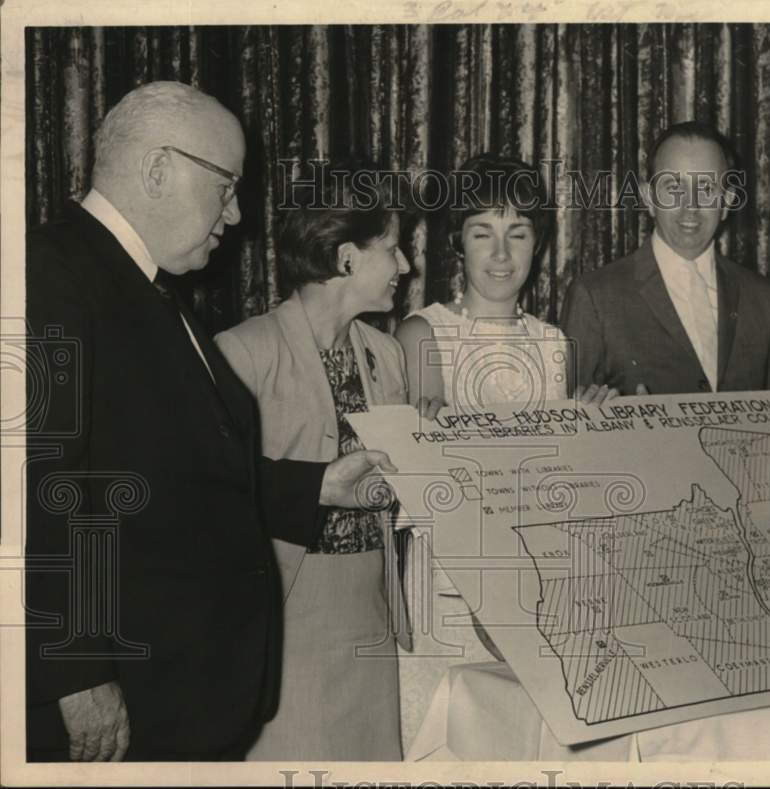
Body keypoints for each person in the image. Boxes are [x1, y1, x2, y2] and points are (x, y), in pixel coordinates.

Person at [24, 82, 393, 762]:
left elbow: (174, 474)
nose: (237, 213)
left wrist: (317, 487)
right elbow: (30, 492)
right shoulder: (48, 274)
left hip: (176, 694)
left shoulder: (148, 284)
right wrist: (74, 673)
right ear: (158, 169)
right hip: (121, 698)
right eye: (225, 185)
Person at [394, 152, 614, 748]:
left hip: (535, 581)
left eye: (516, 234)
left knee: (522, 742)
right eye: (481, 233)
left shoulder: (553, 346)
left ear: (536, 246)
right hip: (448, 579)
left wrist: (593, 432)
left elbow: (565, 484)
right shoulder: (423, 333)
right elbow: (430, 478)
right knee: (447, 739)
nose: (499, 254)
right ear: (457, 245)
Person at [215, 165, 415, 760]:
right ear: (348, 260)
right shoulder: (241, 353)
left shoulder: (386, 354)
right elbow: (210, 504)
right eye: (393, 250)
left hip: (372, 612)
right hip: (285, 620)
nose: (405, 267)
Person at [561, 121, 770, 395]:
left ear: (727, 200)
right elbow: (570, 426)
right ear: (648, 197)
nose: (690, 206)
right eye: (674, 187)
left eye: (706, 188)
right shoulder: (595, 297)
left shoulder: (765, 298)